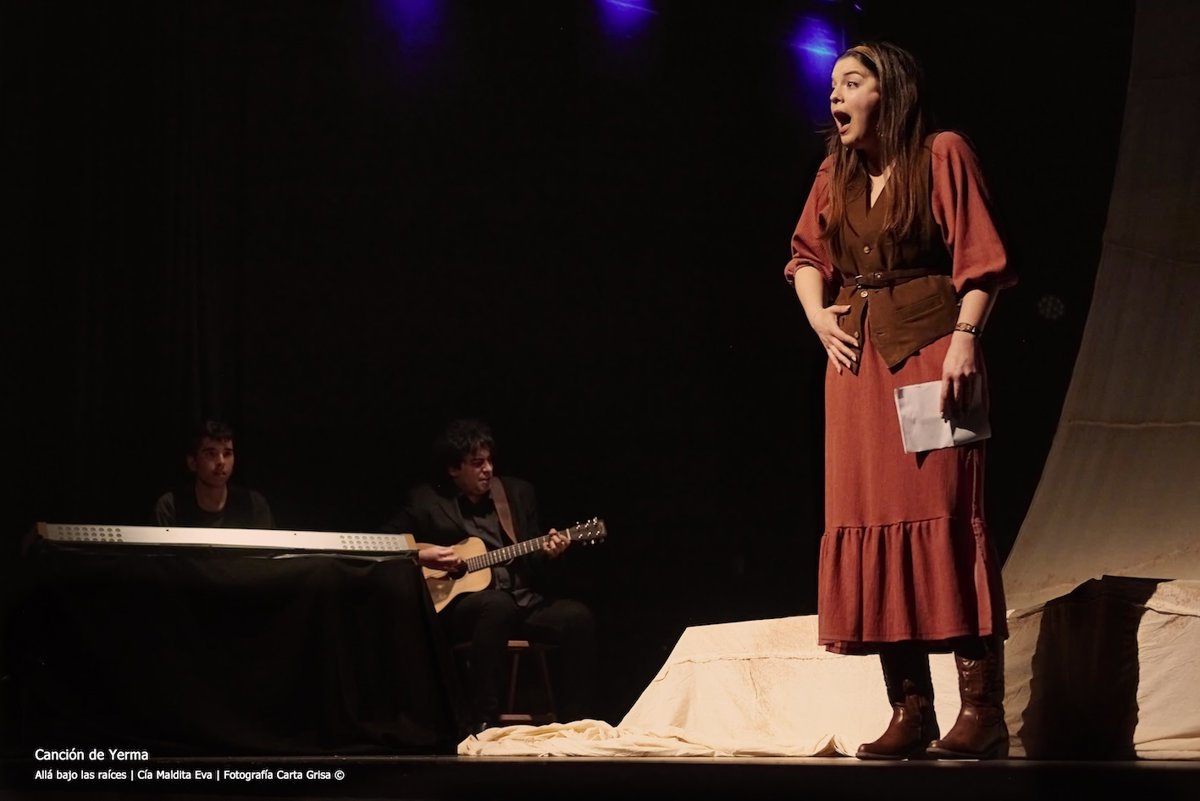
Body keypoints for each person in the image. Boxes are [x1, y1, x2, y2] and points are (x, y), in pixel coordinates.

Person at [783, 41, 1016, 760]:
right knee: (873, 523)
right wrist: (818, 316)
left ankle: (983, 710)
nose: (834, 94)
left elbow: (982, 262)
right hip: (856, 371)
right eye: (832, 84)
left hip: (932, 358)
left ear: (889, 92)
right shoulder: (836, 172)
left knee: (945, 517)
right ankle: (911, 710)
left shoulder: (941, 153)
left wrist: (967, 340)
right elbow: (805, 256)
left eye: (851, 82)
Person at [380, 418, 597, 733]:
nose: (488, 469)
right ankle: (484, 721)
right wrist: (421, 555)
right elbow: (386, 543)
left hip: (522, 600)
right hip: (467, 608)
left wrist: (549, 552)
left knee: (576, 617)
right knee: (496, 606)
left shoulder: (517, 494)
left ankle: (577, 722)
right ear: (453, 469)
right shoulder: (426, 501)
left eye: (490, 461)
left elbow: (533, 558)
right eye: (477, 463)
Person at [154, 419, 275, 528]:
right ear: (192, 462)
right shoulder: (171, 506)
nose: (221, 462)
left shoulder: (253, 504)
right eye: (211, 454)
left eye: (227, 453)